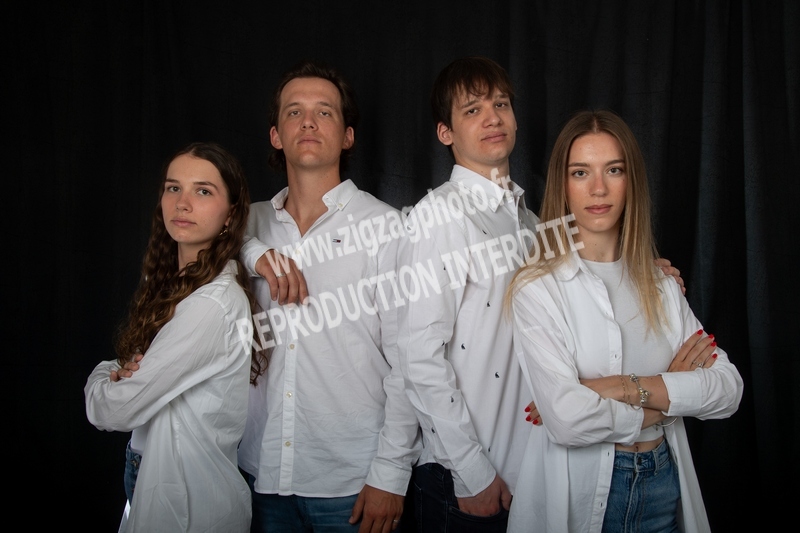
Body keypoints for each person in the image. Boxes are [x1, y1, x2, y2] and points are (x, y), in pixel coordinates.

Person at [505, 109, 744, 532]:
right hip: (585, 498)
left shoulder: (661, 284)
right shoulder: (537, 288)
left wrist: (614, 387)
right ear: (562, 184)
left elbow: (728, 389)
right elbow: (567, 420)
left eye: (613, 170)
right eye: (581, 172)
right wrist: (667, 399)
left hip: (663, 487)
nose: (598, 188)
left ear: (631, 180)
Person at [237, 60, 421, 533]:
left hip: (353, 485)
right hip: (257, 475)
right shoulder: (245, 223)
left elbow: (409, 362)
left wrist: (391, 474)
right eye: (294, 112)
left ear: (347, 136)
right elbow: (192, 245)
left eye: (324, 112)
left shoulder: (387, 228)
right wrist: (253, 252)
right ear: (276, 135)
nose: (308, 123)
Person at [84, 141, 265, 532]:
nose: (182, 203)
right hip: (149, 468)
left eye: (203, 191)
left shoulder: (211, 304)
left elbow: (114, 410)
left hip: (188, 495)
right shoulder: (175, 286)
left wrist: (102, 374)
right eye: (173, 188)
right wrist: (124, 371)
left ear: (231, 214)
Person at [395, 55, 541, 533]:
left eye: (501, 104)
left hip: (525, 473)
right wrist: (473, 473)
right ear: (446, 133)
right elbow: (418, 357)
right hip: (464, 482)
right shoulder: (440, 216)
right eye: (473, 110)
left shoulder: (528, 221)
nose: (493, 118)